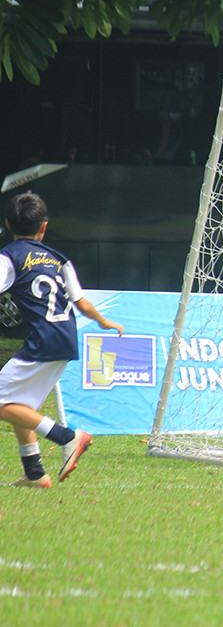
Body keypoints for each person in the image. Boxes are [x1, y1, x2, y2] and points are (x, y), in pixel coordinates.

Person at [0, 191, 124, 487]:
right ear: (44, 226)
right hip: (65, 338)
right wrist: (103, 320)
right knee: (20, 405)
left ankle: (68, 437)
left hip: (42, 340)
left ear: (7, 224)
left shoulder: (9, 258)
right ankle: (34, 473)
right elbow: (81, 303)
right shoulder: (59, 259)